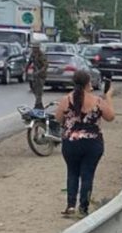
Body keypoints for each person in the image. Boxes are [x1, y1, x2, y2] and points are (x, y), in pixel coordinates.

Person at [54, 70, 115, 216]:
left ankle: (70, 205)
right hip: (93, 142)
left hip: (71, 142)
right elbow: (110, 117)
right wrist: (109, 97)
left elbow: (58, 119)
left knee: (72, 172)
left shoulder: (66, 100)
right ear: (89, 83)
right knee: (88, 174)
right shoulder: (97, 101)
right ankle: (83, 207)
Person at [28, 41, 48, 109]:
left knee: (39, 91)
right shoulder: (33, 54)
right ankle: (40, 104)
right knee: (34, 89)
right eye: (33, 48)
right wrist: (25, 69)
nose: (33, 49)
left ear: (38, 48)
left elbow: (45, 66)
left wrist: (39, 72)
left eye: (35, 48)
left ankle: (37, 106)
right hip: (35, 75)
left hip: (41, 75)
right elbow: (30, 62)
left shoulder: (41, 55)